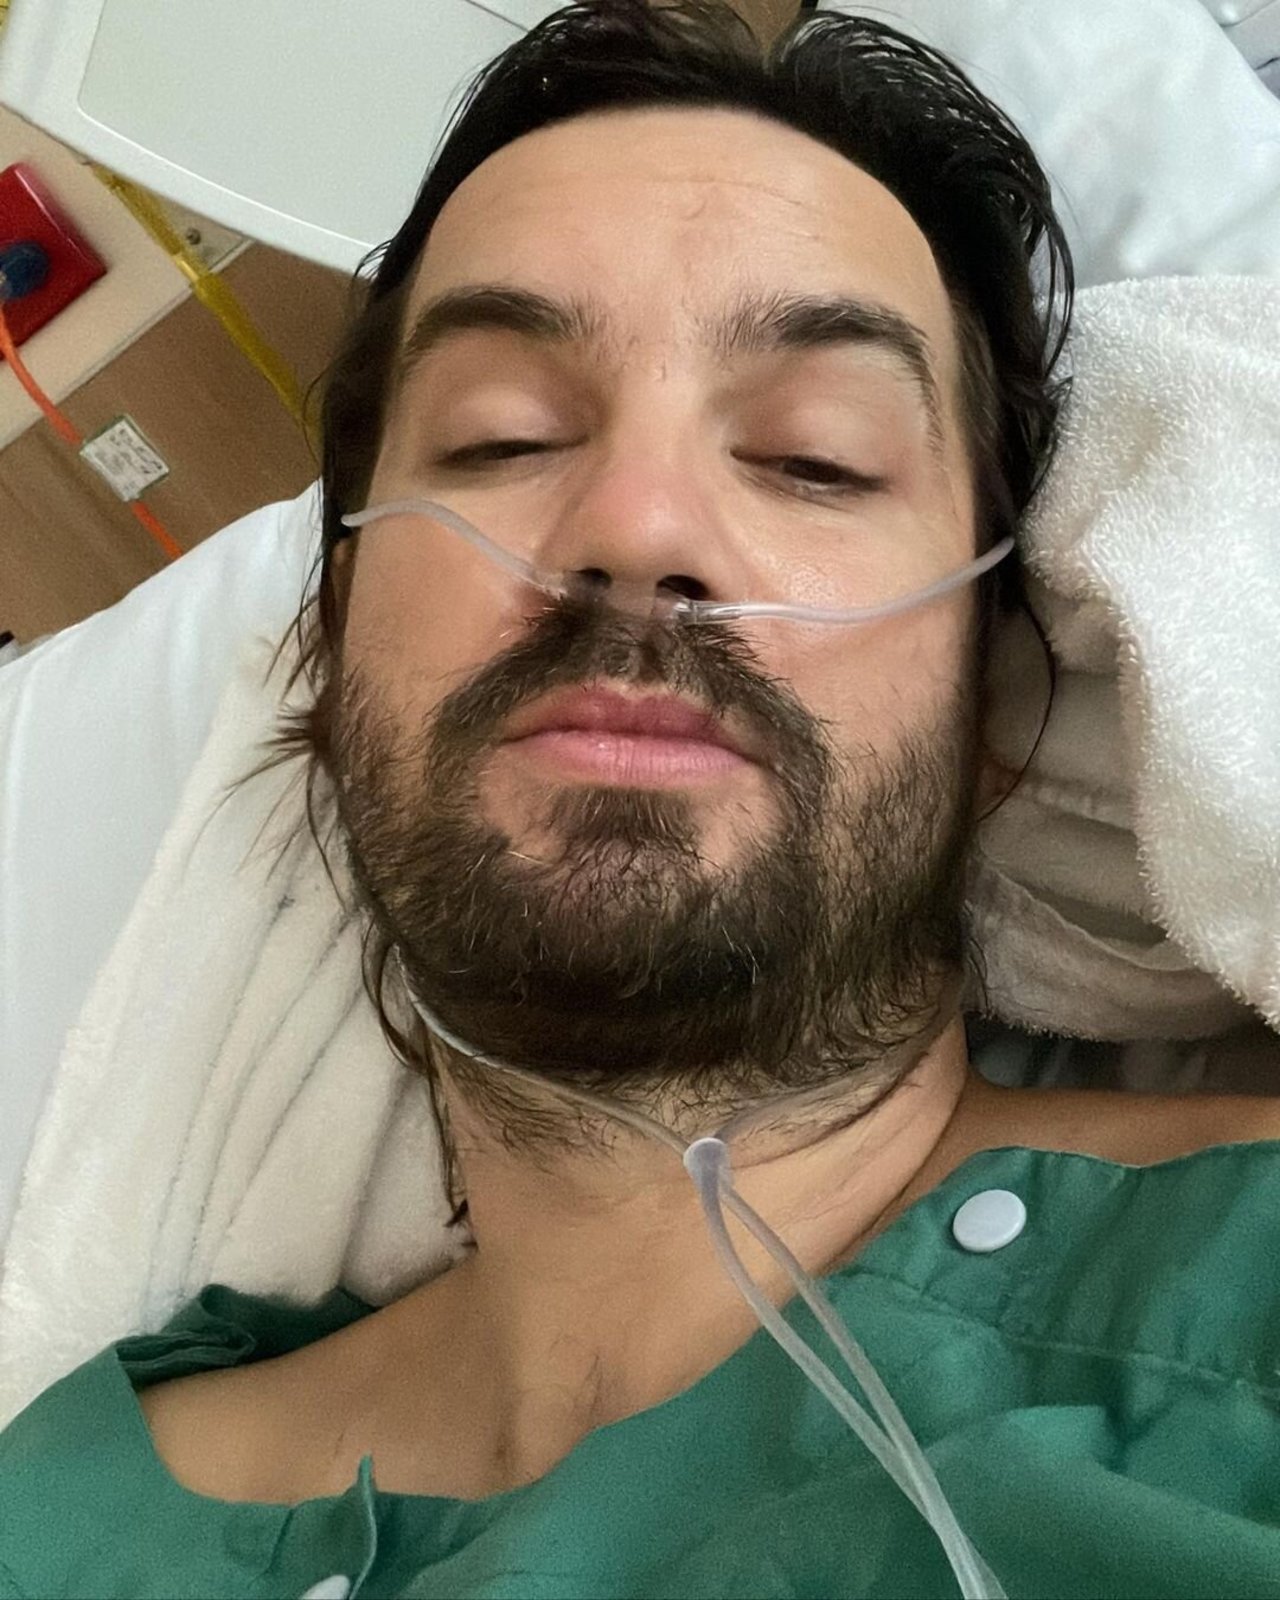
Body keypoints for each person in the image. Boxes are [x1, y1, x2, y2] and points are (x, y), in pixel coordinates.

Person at [3, 4, 1280, 1597]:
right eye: (503, 436)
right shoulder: (55, 1519)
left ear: (992, 717)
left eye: (817, 458)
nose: (636, 523)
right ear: (331, 663)